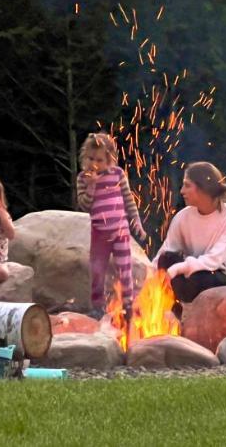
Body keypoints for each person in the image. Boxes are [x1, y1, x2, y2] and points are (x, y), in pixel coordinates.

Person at [76, 132, 148, 319]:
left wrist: (137, 222)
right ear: (84, 156)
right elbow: (84, 206)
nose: (94, 163)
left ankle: (128, 304)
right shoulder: (83, 178)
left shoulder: (117, 174)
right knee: (97, 270)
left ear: (109, 160)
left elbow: (128, 200)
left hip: (120, 230)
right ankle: (98, 306)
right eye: (90, 158)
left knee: (125, 268)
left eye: (99, 160)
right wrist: (91, 187)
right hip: (100, 232)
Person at [153, 162, 226, 306]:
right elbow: (166, 251)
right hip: (189, 273)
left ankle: (182, 309)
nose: (182, 191)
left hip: (218, 275)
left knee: (198, 279)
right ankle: (170, 313)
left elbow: (214, 260)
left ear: (203, 188)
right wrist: (150, 277)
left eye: (187, 185)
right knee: (165, 260)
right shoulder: (183, 216)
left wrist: (177, 269)